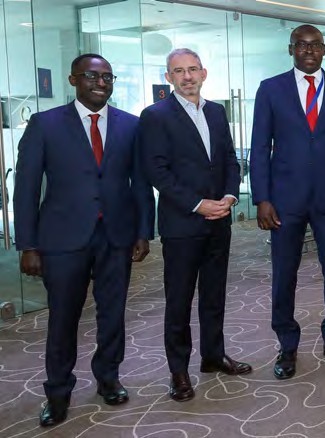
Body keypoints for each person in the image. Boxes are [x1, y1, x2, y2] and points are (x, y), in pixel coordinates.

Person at [13, 53, 154, 427]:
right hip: (61, 239)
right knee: (63, 318)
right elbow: (25, 189)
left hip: (116, 235)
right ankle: (58, 392)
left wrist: (144, 231)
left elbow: (140, 183)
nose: (100, 83)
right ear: (73, 79)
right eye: (91, 76)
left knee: (113, 314)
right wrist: (28, 244)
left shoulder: (131, 125)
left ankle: (109, 377)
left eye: (107, 77)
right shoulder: (45, 124)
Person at [250, 24, 325, 380]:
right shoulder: (270, 90)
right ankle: (287, 344)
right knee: (284, 273)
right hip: (284, 200)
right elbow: (258, 149)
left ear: (324, 49)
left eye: (315, 45)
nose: (308, 50)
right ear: (291, 49)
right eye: (301, 45)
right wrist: (262, 198)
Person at [138, 48, 250, 402]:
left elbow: (230, 160)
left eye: (192, 70)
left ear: (204, 73)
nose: (187, 77)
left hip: (220, 220)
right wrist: (198, 204)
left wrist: (231, 197)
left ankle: (213, 356)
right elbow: (157, 171)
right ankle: (178, 370)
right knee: (179, 300)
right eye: (178, 71)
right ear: (168, 77)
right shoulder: (155, 116)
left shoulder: (216, 112)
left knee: (215, 294)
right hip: (183, 224)